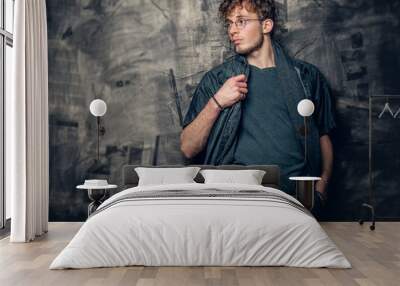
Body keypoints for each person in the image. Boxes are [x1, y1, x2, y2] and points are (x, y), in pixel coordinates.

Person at [180, 0, 335, 218]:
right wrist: (218, 101)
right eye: (230, 23)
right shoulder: (217, 80)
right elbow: (188, 148)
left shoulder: (307, 77)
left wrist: (321, 188)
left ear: (266, 25)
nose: (232, 30)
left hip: (297, 204)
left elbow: (323, 135)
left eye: (241, 22)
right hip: (237, 204)